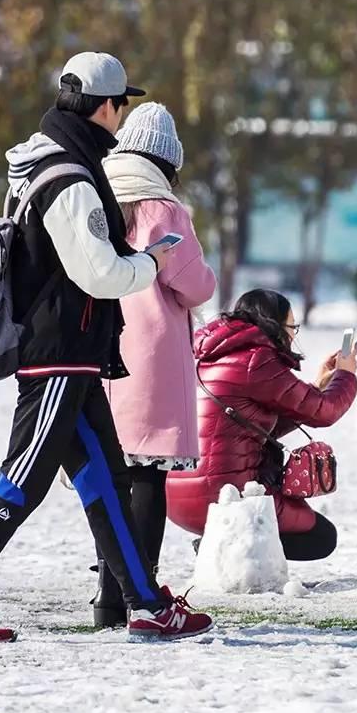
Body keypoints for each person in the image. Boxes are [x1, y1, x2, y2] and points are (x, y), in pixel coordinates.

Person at [0, 52, 212, 643]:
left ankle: (147, 602)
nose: (121, 118)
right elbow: (99, 273)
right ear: (105, 107)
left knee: (106, 482)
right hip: (59, 353)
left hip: (74, 353)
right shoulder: (71, 178)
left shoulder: (50, 163)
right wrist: (149, 262)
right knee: (23, 477)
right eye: (120, 104)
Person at [93, 102, 218, 628]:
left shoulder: (95, 196)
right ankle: (141, 594)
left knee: (110, 476)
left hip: (99, 350)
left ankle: (107, 595)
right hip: (150, 358)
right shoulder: (163, 210)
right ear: (167, 161)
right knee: (147, 480)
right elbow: (195, 285)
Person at [172, 290, 354, 561]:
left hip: (175, 495)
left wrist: (316, 386)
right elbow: (324, 412)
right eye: (292, 326)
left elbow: (249, 427)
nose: (293, 335)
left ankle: (220, 541)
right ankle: (227, 546)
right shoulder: (257, 360)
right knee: (321, 537)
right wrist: (346, 375)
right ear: (273, 324)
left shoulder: (207, 355)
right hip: (220, 495)